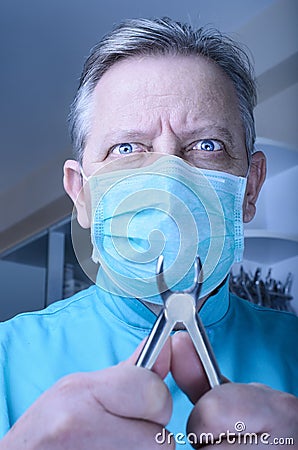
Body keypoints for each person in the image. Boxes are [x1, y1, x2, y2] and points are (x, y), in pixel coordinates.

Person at [0, 17, 297, 449]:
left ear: (250, 187)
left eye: (207, 145)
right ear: (80, 194)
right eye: (126, 148)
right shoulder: (5, 358)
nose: (167, 179)